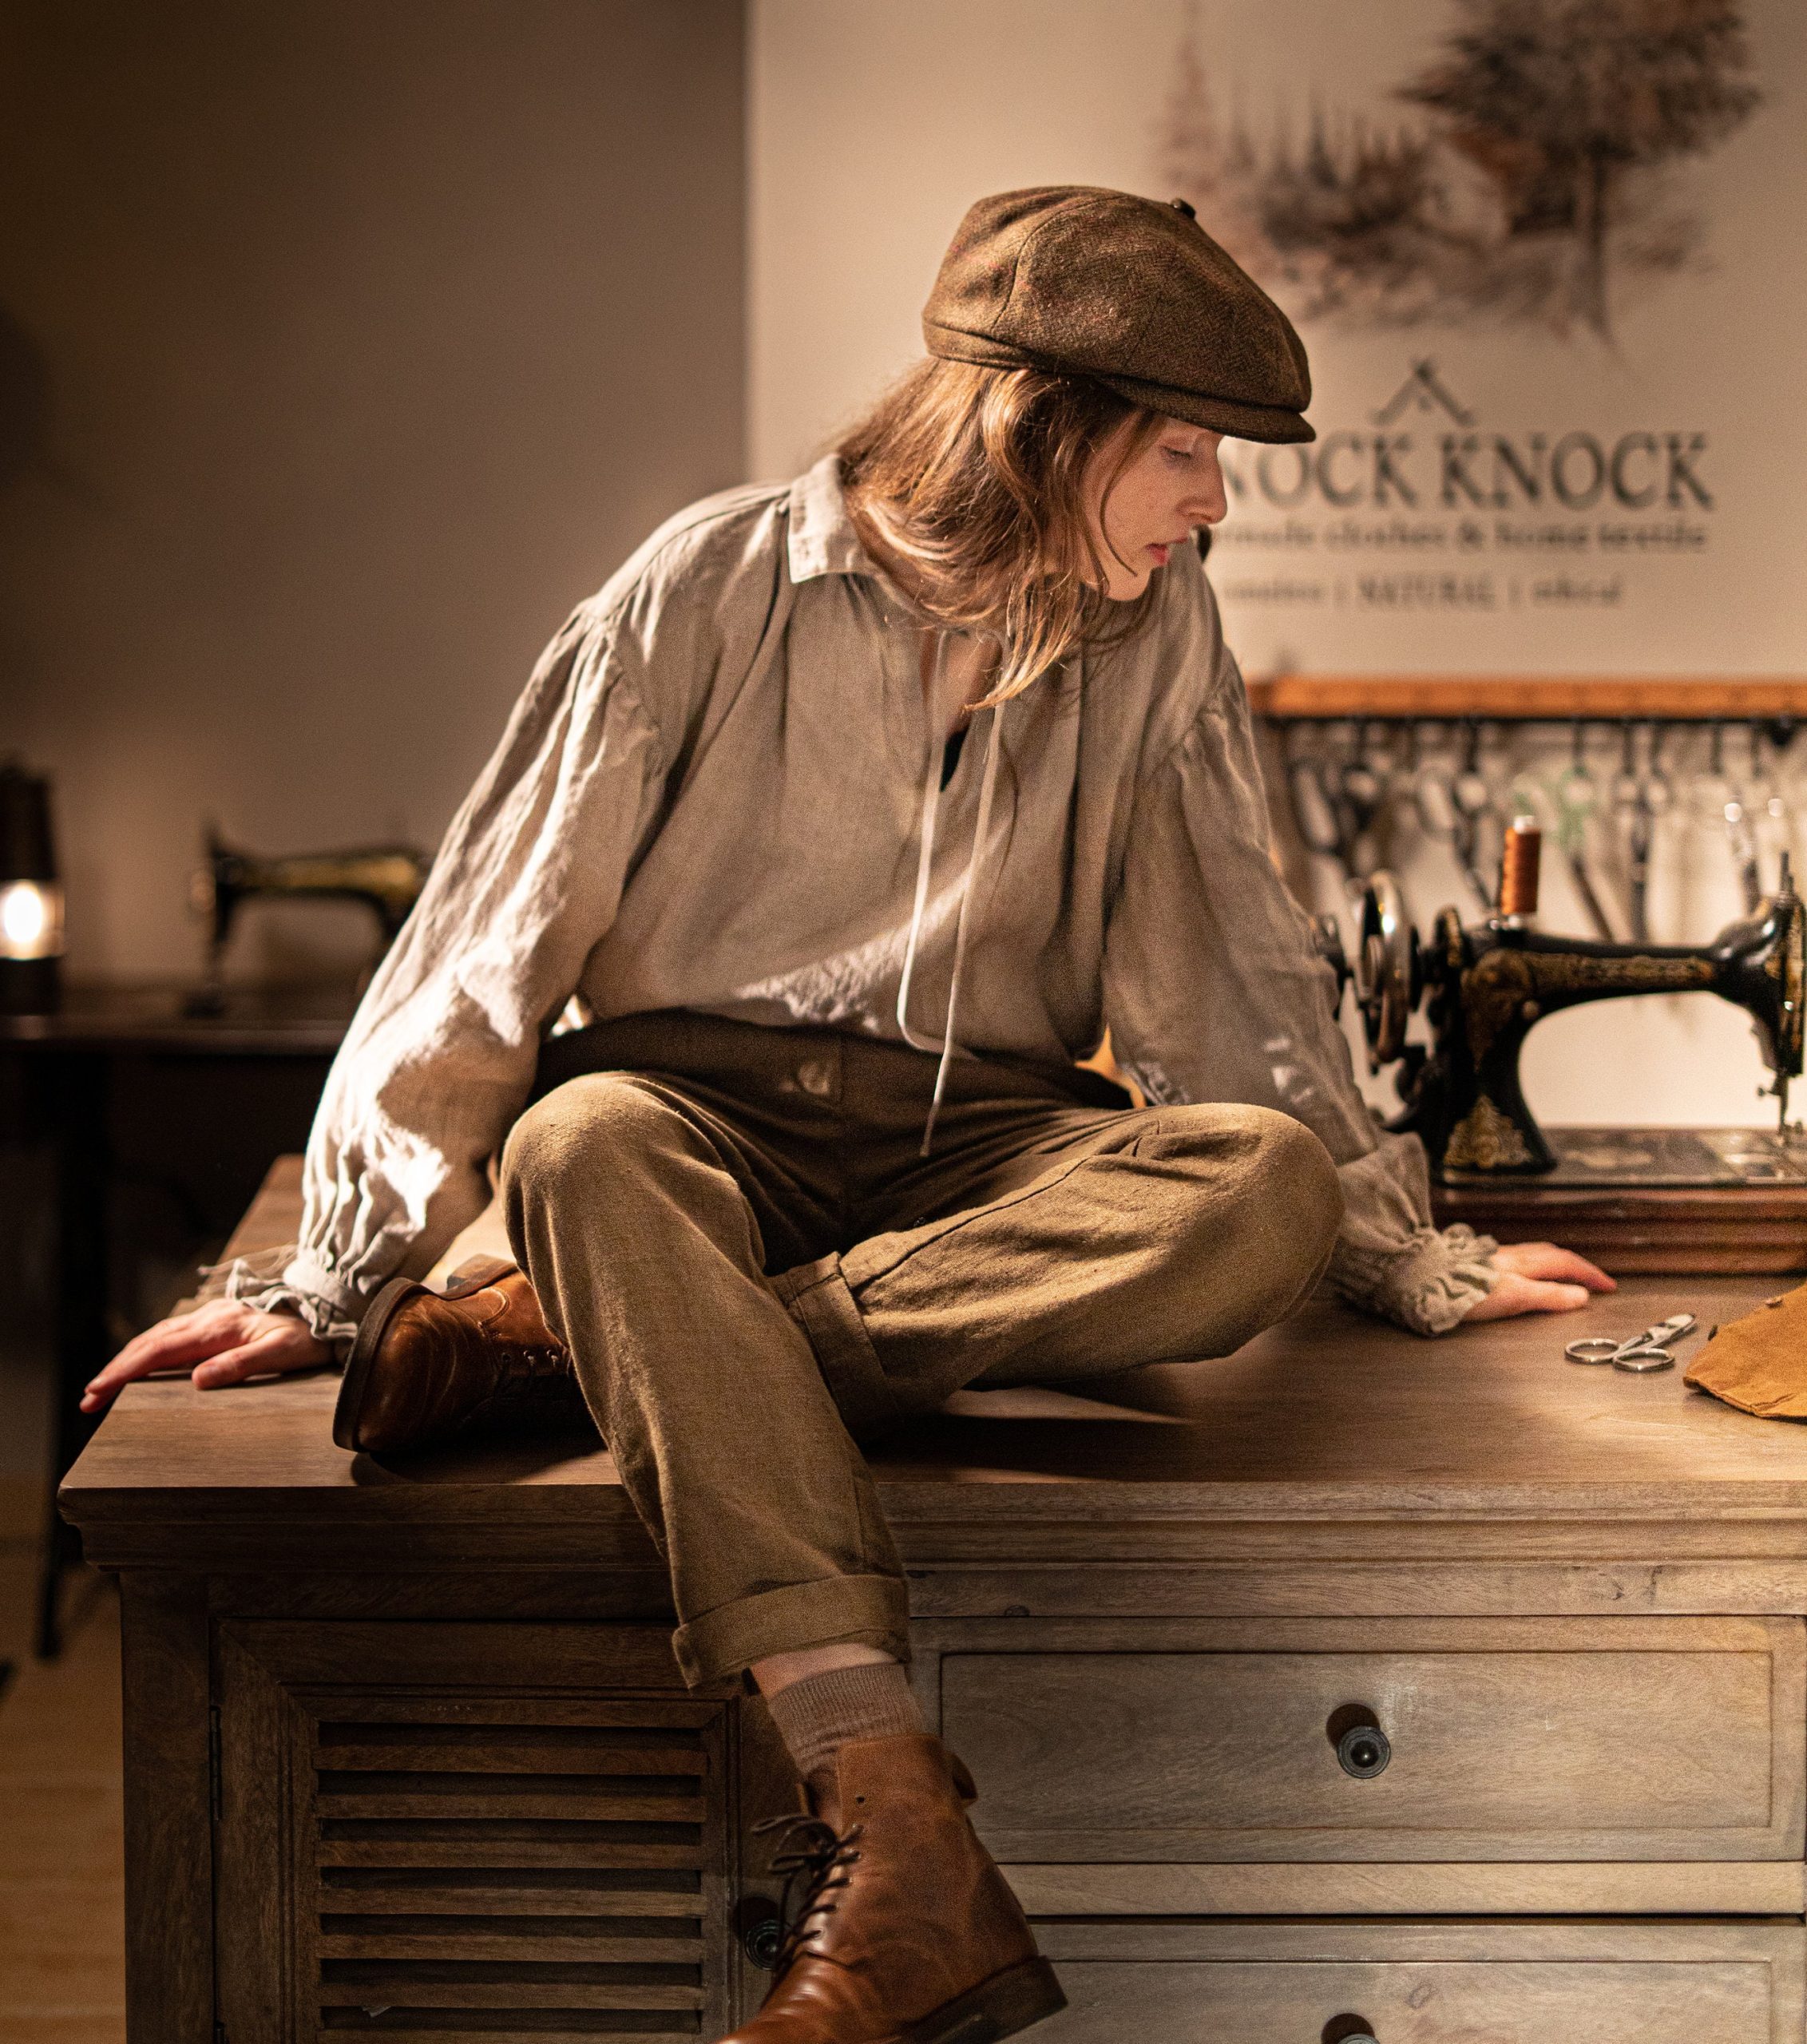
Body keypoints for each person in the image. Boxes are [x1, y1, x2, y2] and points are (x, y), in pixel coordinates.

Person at [85, 187, 1612, 2043]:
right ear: (1044, 428)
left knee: (1259, 1189)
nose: (1216, 500)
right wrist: (338, 1278)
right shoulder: (702, 586)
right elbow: (485, 948)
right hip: (689, 1118)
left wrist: (1392, 1244)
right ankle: (892, 1821)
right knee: (578, 1144)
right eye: (1191, 449)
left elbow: (1232, 978)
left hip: (981, 1145)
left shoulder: (1156, 636)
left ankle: (597, 1349)